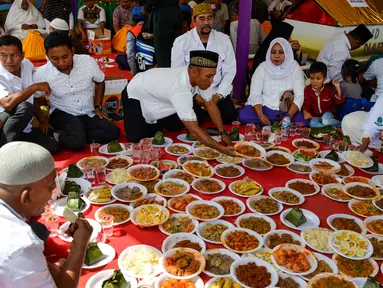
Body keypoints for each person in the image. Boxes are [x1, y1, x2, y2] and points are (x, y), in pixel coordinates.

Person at [0, 142, 93, 287]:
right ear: (27, 196)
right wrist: (79, 246)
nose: (52, 195)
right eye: (50, 187)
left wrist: (46, 267)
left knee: (39, 229)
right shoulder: (22, 245)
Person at [123, 50, 235, 157]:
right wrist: (221, 149)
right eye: (209, 76)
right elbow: (194, 130)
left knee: (186, 120)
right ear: (194, 71)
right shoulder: (180, 89)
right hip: (135, 94)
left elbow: (210, 104)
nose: (212, 81)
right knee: (136, 138)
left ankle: (157, 123)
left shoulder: (200, 78)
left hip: (159, 97)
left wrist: (223, 133)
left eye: (213, 76)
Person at [33, 32, 120, 151]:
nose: (61, 63)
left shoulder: (87, 62)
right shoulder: (41, 74)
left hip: (87, 111)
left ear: (72, 51)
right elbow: (35, 98)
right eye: (55, 58)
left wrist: (98, 106)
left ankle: (76, 136)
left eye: (65, 57)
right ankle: (55, 133)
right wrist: (43, 121)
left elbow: (100, 81)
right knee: (78, 142)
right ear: (47, 55)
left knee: (113, 132)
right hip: (62, 113)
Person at [171, 3, 237, 124]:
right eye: (201, 18)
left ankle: (210, 111)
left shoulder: (224, 40)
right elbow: (178, 73)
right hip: (193, 93)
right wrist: (196, 96)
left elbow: (230, 71)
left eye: (209, 18)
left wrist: (218, 96)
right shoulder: (181, 42)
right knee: (193, 121)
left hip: (217, 91)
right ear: (193, 20)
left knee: (229, 116)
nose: (206, 22)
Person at [0, 36, 59, 154]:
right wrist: (34, 87)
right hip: (4, 124)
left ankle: (20, 152)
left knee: (52, 146)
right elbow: (7, 104)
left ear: (22, 55)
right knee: (25, 107)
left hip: (24, 127)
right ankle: (6, 151)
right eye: (3, 55)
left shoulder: (27, 65)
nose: (9, 60)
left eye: (14, 55)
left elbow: (33, 98)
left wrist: (43, 121)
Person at [238, 38, 306, 125]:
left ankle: (279, 121)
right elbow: (255, 94)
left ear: (287, 53)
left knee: (305, 119)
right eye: (273, 52)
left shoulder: (295, 68)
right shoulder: (262, 68)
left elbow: (300, 96)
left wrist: (288, 116)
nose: (276, 56)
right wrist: (260, 115)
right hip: (265, 108)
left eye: (281, 52)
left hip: (287, 110)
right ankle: (271, 121)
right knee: (243, 116)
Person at [302, 61, 344, 128]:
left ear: (324, 79)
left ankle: (342, 124)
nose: (315, 81)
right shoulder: (307, 90)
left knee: (325, 121)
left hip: (327, 115)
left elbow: (339, 101)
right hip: (315, 116)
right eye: (312, 78)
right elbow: (306, 104)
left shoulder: (328, 90)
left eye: (318, 78)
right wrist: (305, 112)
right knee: (312, 124)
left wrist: (337, 87)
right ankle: (333, 129)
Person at [142, 0, 182, 67]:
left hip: (162, 16)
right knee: (176, 44)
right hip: (175, 12)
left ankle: (165, 72)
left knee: (162, 50)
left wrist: (146, 7)